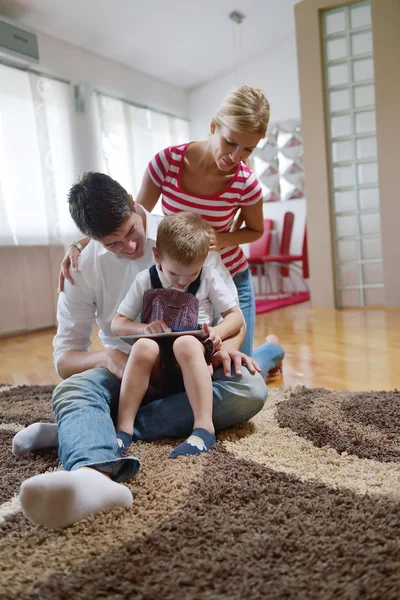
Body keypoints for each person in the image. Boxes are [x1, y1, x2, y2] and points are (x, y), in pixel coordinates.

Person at [14, 172, 283, 530]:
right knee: (73, 388)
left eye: (130, 231)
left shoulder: (183, 236)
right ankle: (92, 474)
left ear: (132, 201)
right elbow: (65, 360)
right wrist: (109, 357)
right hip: (132, 372)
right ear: (91, 239)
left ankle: (84, 429)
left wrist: (227, 347)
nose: (128, 247)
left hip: (193, 363)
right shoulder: (82, 265)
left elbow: (232, 317)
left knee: (250, 390)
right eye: (112, 243)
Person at [60, 85, 271, 357]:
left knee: (239, 361)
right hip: (180, 276)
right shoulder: (168, 162)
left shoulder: (247, 184)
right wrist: (80, 244)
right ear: (213, 126)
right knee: (188, 362)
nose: (235, 157)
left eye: (248, 150)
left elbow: (255, 230)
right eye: (230, 142)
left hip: (228, 272)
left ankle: (272, 350)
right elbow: (131, 215)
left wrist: (221, 239)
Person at [111, 212, 244, 459]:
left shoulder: (209, 277)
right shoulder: (145, 279)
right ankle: (123, 430)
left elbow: (236, 317)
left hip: (194, 359)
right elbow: (117, 324)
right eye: (174, 274)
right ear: (158, 256)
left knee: (185, 343)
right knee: (142, 347)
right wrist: (144, 329)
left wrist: (218, 331)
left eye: (191, 274)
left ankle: (204, 429)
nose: (182, 282)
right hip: (158, 366)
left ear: (204, 261)